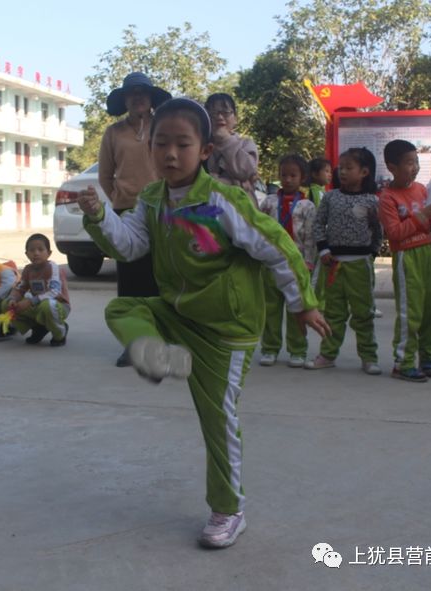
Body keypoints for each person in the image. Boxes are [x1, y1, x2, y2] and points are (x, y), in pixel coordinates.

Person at [77, 98, 329, 549]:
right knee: (122, 309)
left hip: (226, 330)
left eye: (182, 144)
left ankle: (229, 510)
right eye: (161, 144)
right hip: (180, 315)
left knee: (217, 418)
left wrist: (302, 303)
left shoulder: (221, 202)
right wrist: (98, 216)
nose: (170, 154)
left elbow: (277, 247)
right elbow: (131, 246)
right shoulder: (153, 198)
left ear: (206, 150)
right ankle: (159, 358)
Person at [99, 72, 171, 366]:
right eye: (132, 94)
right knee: (130, 281)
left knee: (162, 278)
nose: (138, 98)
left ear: (151, 97)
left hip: (163, 210)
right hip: (126, 212)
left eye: (143, 92)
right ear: (125, 100)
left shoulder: (163, 128)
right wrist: (121, 197)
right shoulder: (113, 133)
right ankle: (134, 344)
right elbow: (105, 176)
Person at [305, 147, 383, 374]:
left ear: (365, 172)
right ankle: (328, 354)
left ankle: (369, 356)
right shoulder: (330, 197)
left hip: (360, 263)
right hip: (334, 264)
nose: (343, 172)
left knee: (364, 313)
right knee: (334, 313)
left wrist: (373, 253)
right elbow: (318, 225)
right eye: (342, 168)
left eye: (350, 168)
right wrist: (323, 250)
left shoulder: (372, 201)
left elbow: (378, 230)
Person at [378, 140, 431, 382]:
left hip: (428, 251)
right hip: (406, 256)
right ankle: (403, 362)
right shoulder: (387, 197)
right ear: (392, 166)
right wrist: (422, 216)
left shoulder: (421, 190)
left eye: (416, 162)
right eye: (409, 162)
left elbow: (425, 223)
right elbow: (394, 233)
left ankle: (427, 358)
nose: (414, 167)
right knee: (410, 311)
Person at [258, 154, 317, 367]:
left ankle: (297, 350)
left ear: (302, 177)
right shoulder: (269, 202)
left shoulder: (307, 205)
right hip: (271, 263)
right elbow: (259, 230)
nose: (288, 179)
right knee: (271, 308)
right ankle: (269, 348)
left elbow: (311, 235)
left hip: (297, 264)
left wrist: (309, 262)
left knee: (298, 308)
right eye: (284, 175)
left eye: (293, 175)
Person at [0, 233, 70, 346]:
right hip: (38, 304)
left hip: (58, 305)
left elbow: (55, 292)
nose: (36, 253)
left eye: (40, 249)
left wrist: (30, 301)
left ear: (49, 253)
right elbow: (20, 288)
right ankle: (39, 327)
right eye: (32, 250)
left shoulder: (53, 268)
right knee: (6, 304)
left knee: (47, 306)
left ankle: (60, 333)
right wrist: (12, 299)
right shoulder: (28, 269)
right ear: (27, 254)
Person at [204, 93, 260, 204]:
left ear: (235, 118)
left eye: (225, 112)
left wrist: (226, 140)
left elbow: (245, 171)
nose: (219, 117)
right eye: (213, 113)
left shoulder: (246, 144)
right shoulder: (201, 146)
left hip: (241, 209)